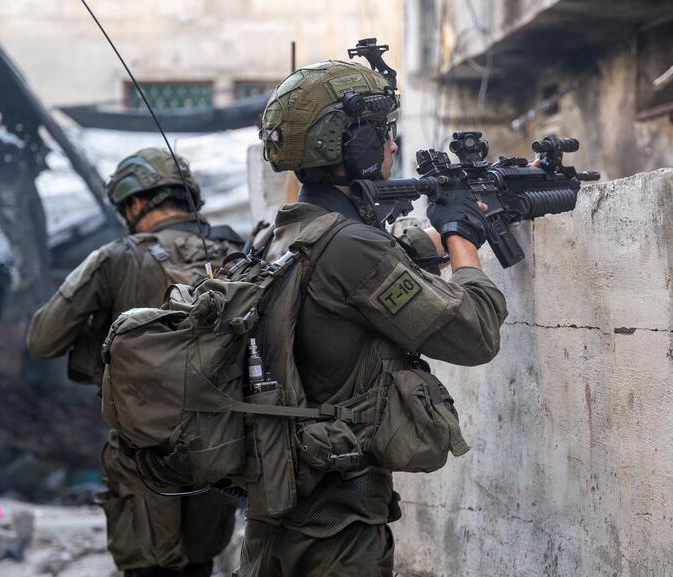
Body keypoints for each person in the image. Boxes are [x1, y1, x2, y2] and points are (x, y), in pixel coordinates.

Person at [235, 59, 508, 577]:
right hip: (335, 530)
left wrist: (435, 239)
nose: (390, 146)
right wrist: (463, 241)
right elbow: (474, 334)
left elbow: (364, 277)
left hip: (280, 517)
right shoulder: (350, 247)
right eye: (382, 133)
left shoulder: (283, 235)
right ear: (352, 146)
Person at [27, 148, 241, 577]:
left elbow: (42, 339)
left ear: (138, 203)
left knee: (148, 567)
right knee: (199, 565)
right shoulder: (238, 253)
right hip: (219, 448)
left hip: (141, 457)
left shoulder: (117, 257)